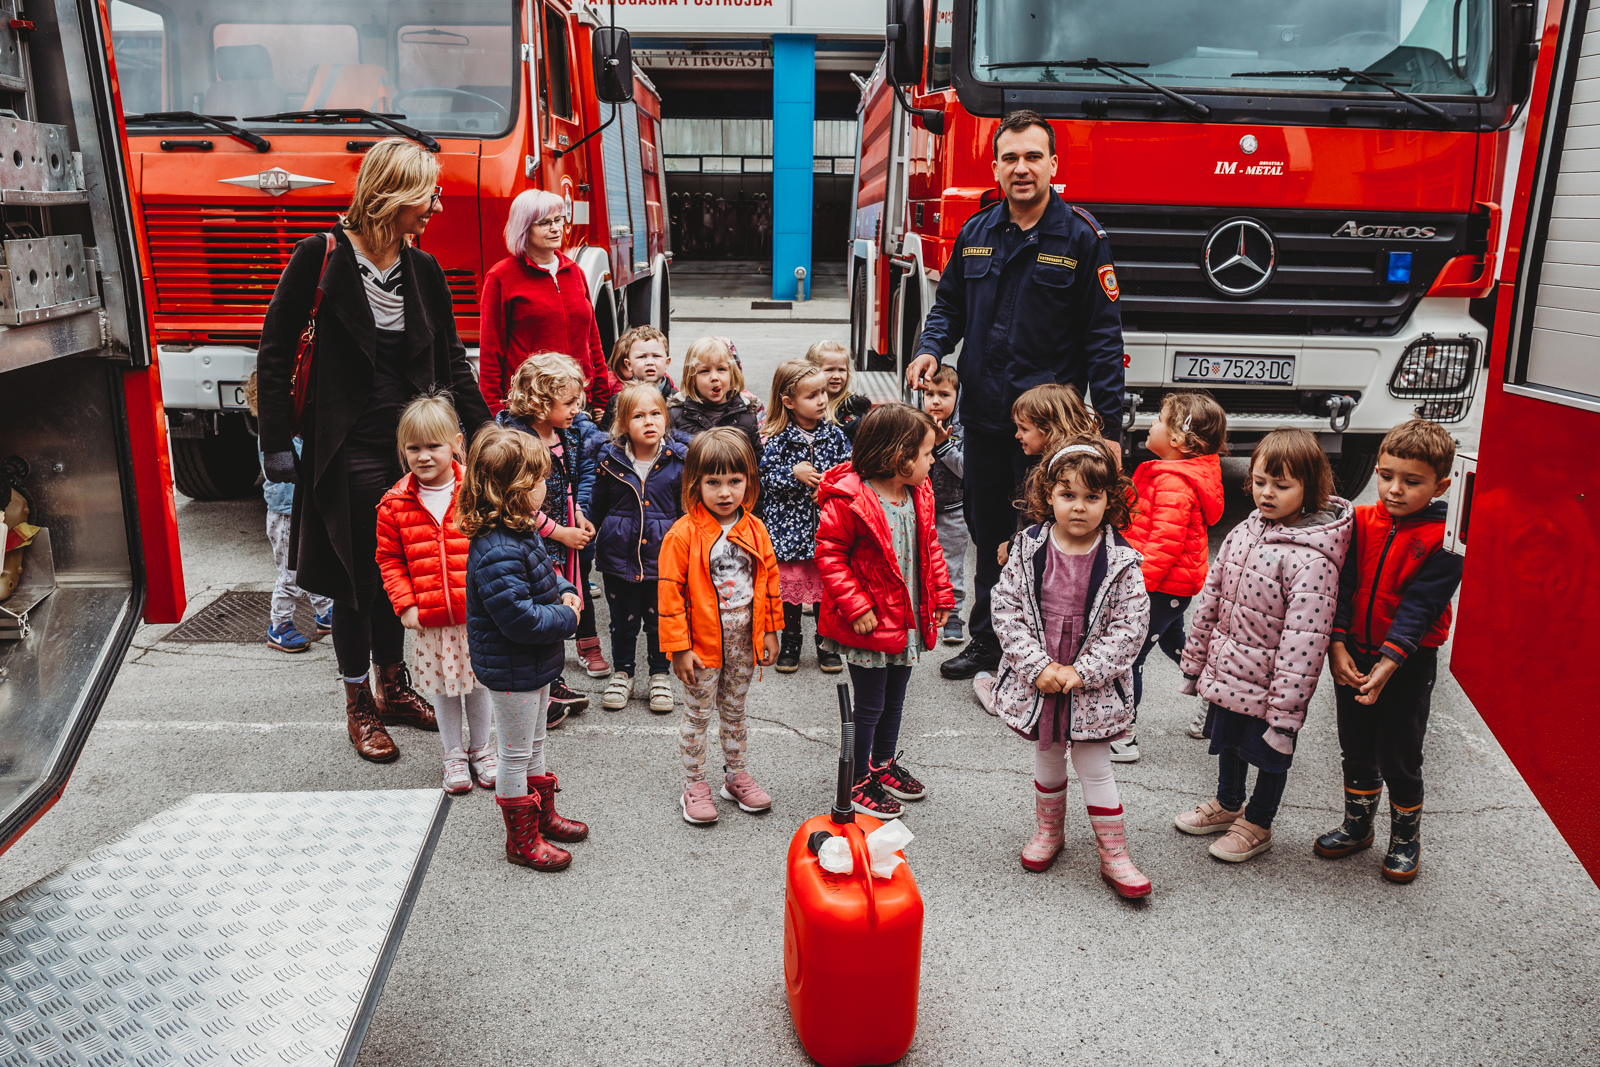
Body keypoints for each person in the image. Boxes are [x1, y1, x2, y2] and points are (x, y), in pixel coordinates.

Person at [255, 137, 492, 762]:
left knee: (402, 575)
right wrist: (275, 445)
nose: (436, 207)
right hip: (346, 450)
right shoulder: (320, 255)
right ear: (393, 195)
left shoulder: (424, 269)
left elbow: (452, 364)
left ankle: (393, 685)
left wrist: (489, 433)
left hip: (415, 449)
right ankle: (359, 703)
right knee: (357, 583)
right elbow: (276, 352)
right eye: (427, 196)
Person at [904, 109, 1126, 683]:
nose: (1021, 168)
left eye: (1033, 156)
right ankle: (989, 643)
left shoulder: (1081, 237)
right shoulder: (977, 232)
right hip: (982, 415)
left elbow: (1104, 339)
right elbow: (949, 304)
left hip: (1050, 431)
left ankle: (1051, 647)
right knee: (987, 529)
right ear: (996, 166)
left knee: (1048, 534)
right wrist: (931, 346)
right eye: (1010, 158)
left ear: (1054, 164)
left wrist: (1109, 432)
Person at [1174, 428, 1353, 862]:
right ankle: (1228, 802)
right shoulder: (1247, 529)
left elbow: (1304, 643)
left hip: (1273, 683)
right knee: (1229, 741)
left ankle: (1258, 821)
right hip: (1230, 670)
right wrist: (1195, 659)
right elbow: (1212, 598)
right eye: (1259, 482)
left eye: (1282, 485)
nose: (1266, 494)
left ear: (1310, 488)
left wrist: (1287, 707)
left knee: (1271, 751)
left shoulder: (1312, 558)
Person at [989, 439, 1151, 898]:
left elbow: (1130, 628)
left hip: (1090, 684)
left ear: (1110, 500)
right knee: (1047, 753)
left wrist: (1083, 672)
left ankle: (1114, 855)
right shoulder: (1028, 548)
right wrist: (1038, 665)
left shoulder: (1121, 560)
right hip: (1039, 678)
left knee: (1095, 765)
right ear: (1048, 495)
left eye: (1092, 497)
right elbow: (1006, 609)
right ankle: (1049, 833)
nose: (1079, 507)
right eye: (1067, 495)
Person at [1319, 419, 1463, 883]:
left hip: (1407, 661)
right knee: (1355, 744)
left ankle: (1405, 838)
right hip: (1353, 656)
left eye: (1412, 481)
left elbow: (1422, 606)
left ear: (1442, 485)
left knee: (1399, 751)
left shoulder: (1448, 540)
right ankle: (1358, 826)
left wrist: (1390, 661)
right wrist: (1336, 644)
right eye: (1386, 476)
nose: (1394, 489)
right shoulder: (1359, 522)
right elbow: (1341, 586)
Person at [815, 404, 954, 820]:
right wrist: (856, 605)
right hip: (871, 621)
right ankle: (857, 779)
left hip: (906, 618)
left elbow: (929, 547)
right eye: (927, 454)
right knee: (871, 702)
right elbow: (830, 555)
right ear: (899, 459)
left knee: (896, 697)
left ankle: (881, 763)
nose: (932, 461)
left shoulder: (917, 492)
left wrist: (942, 596)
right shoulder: (850, 499)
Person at [459, 425, 588, 872]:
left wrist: (566, 588)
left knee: (534, 742)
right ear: (513, 489)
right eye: (537, 480)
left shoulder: (521, 530)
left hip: (532, 664)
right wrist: (568, 617)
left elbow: (545, 576)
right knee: (515, 753)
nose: (545, 487)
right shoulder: (496, 549)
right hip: (513, 666)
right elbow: (521, 618)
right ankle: (521, 839)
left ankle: (542, 816)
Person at [659, 428, 783, 825]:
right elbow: (670, 595)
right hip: (702, 644)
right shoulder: (683, 535)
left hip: (744, 639)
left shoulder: (755, 529)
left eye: (735, 481)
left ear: (750, 480)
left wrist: (770, 630)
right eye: (713, 482)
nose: (726, 492)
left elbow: (770, 582)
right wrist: (679, 646)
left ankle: (736, 776)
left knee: (735, 711)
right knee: (698, 716)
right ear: (695, 482)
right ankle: (693, 784)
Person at [375, 392, 496, 794]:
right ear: (402, 451)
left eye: (434, 446)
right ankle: (453, 756)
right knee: (444, 690)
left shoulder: (476, 491)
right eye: (414, 448)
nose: (424, 456)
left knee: (479, 685)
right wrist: (405, 604)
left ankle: (482, 750)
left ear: (457, 444)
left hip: (477, 614)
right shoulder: (395, 504)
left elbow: (496, 545)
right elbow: (389, 559)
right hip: (431, 617)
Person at [1116, 391, 1228, 762]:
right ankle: (1218, 700)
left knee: (1130, 655)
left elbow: (1164, 544)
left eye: (1158, 419)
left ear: (1178, 440)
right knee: (1175, 645)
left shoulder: (1175, 484)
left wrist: (1135, 589)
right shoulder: (1168, 474)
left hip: (1159, 588)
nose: (1151, 423)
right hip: (1168, 587)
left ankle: (1123, 734)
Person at [497, 352, 596, 722]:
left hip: (563, 535)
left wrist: (580, 514)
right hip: (533, 540)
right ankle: (540, 688)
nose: (577, 409)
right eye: (568, 402)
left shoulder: (565, 434)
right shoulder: (516, 440)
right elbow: (515, 502)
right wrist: (561, 532)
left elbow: (575, 481)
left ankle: (552, 681)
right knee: (541, 606)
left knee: (560, 602)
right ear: (539, 403)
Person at [588, 382, 686, 713]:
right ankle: (623, 672)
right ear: (623, 424)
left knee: (660, 621)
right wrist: (587, 531)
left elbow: (685, 511)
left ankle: (660, 674)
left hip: (665, 560)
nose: (649, 421)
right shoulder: (610, 462)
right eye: (639, 415)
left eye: (656, 414)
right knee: (623, 621)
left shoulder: (677, 462)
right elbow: (596, 506)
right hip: (619, 558)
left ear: (666, 419)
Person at [478, 188, 617, 418]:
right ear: (524, 228)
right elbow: (491, 351)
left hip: (578, 406)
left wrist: (601, 397)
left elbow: (592, 340)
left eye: (558, 220)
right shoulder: (501, 277)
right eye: (543, 223)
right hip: (530, 409)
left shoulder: (575, 272)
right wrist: (494, 411)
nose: (555, 228)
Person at [760, 358, 851, 674]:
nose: (822, 400)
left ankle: (826, 642)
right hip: (790, 531)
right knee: (793, 590)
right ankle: (791, 639)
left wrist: (829, 488)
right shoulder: (779, 438)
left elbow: (849, 473)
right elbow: (766, 478)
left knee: (827, 589)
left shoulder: (836, 435)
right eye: (812, 396)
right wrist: (792, 473)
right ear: (789, 402)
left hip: (827, 530)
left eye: (823, 393)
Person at [245, 372, 333, 653]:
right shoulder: (277, 435)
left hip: (302, 509)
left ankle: (325, 612)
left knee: (312, 563)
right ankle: (279, 626)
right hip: (286, 513)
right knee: (291, 572)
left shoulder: (290, 428)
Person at [922, 365, 967, 647]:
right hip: (920, 510)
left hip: (954, 510)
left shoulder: (962, 430)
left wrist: (942, 445)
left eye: (944, 394)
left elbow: (965, 469)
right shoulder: (915, 424)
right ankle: (922, 609)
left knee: (952, 564)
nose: (936, 401)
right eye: (930, 394)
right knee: (919, 560)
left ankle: (953, 615)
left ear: (957, 397)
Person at [667, 336, 762, 455]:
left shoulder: (746, 416)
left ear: (732, 374)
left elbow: (757, 460)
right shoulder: (677, 415)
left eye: (721, 369)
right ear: (692, 378)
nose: (714, 377)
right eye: (705, 371)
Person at [599, 325, 675, 432]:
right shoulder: (618, 402)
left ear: (667, 362)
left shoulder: (677, 401)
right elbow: (605, 440)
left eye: (656, 356)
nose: (650, 362)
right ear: (628, 364)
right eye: (642, 357)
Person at [806, 340, 871, 439]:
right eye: (829, 370)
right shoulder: (801, 404)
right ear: (812, 371)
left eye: (841, 370)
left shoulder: (854, 409)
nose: (836, 376)